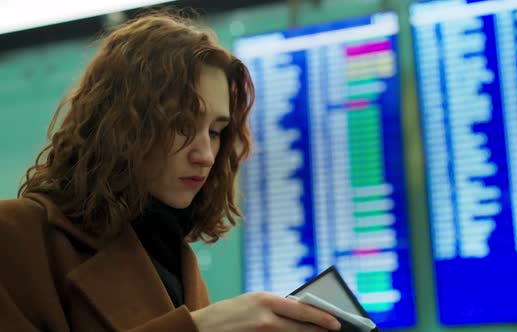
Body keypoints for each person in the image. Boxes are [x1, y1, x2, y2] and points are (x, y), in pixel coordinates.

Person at [0, 12, 342, 332]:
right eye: (181, 125)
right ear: (120, 124)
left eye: (215, 131)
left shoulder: (178, 262)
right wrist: (201, 327)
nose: (205, 155)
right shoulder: (16, 235)